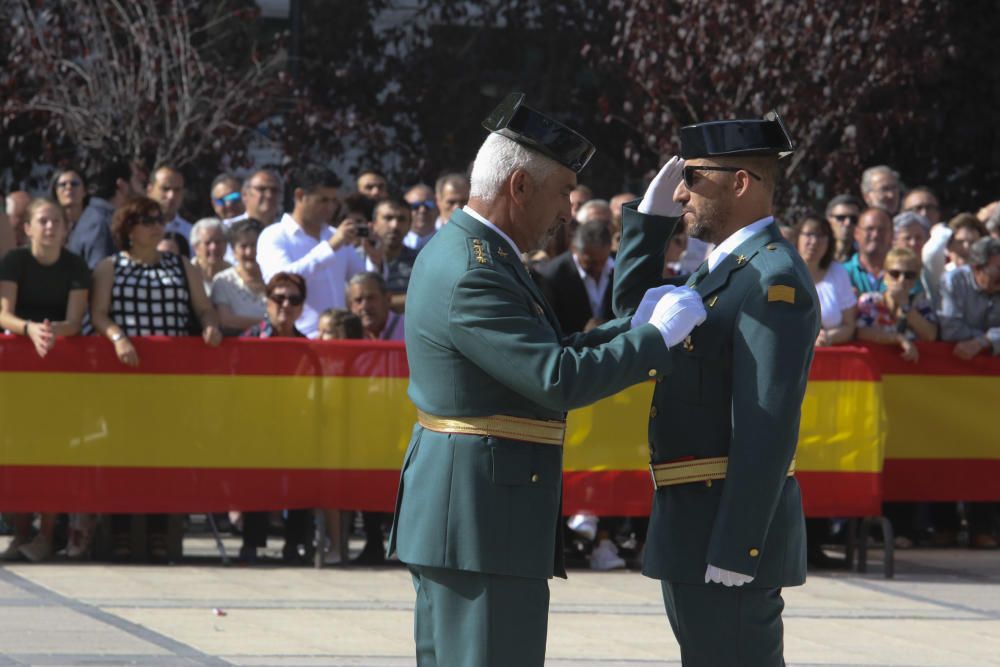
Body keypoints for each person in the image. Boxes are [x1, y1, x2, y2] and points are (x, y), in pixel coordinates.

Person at [388, 93, 705, 667]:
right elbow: (556, 378)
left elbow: (548, 351)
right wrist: (653, 340)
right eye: (563, 191)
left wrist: (627, 329)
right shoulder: (474, 272)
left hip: (478, 516)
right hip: (480, 522)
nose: (568, 210)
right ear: (519, 187)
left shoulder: (484, 255)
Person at [613, 111, 817, 666]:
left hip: (721, 531)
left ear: (741, 182)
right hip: (690, 523)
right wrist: (648, 223)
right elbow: (634, 318)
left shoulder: (771, 279)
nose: (681, 193)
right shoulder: (721, 270)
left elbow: (766, 423)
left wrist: (739, 545)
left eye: (693, 178)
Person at [90, 196, 222, 560]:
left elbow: (203, 308)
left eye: (158, 219)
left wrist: (210, 326)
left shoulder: (182, 266)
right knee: (121, 453)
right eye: (146, 220)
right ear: (129, 228)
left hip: (171, 383)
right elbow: (99, 314)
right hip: (124, 378)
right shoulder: (109, 267)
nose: (155, 225)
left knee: (165, 455)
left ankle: (160, 532)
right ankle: (119, 532)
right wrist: (118, 338)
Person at [0, 198, 90, 562]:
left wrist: (51, 333)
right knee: (20, 449)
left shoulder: (75, 265)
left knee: (53, 451)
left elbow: (75, 320)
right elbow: (3, 313)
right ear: (28, 228)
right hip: (20, 374)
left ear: (66, 229)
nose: (50, 227)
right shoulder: (14, 262)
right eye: (43, 221)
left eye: (57, 221)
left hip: (59, 372)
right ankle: (21, 533)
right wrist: (29, 329)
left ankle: (48, 534)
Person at [240, 272, 315, 562]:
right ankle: (251, 543)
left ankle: (294, 545)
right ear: (267, 301)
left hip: (295, 426)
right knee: (255, 482)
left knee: (300, 483)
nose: (285, 304)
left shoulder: (308, 346)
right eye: (278, 297)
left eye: (293, 299)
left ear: (301, 306)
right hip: (256, 424)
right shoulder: (250, 338)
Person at [937, 237, 1000, 548]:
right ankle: (944, 525)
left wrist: (987, 341)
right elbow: (949, 329)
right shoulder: (953, 282)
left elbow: (970, 337)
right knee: (943, 449)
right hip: (949, 387)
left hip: (990, 394)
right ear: (977, 268)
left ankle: (984, 527)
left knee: (988, 451)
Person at [256, 166, 366, 338]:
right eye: (322, 200)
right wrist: (329, 248)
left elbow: (362, 280)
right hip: (298, 339)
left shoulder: (335, 235)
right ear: (300, 196)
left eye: (333, 201)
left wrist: (375, 258)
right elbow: (280, 280)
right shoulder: (274, 235)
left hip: (340, 341)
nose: (330, 207)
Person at [856, 247, 938, 363]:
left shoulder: (921, 304)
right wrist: (898, 339)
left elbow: (930, 335)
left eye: (909, 275)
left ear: (916, 279)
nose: (902, 280)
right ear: (884, 276)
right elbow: (860, 331)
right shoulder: (869, 301)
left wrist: (905, 306)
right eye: (895, 274)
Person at [536, 220, 615, 334]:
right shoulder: (551, 276)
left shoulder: (619, 266)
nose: (598, 268)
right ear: (574, 248)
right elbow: (550, 328)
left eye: (603, 262)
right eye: (591, 262)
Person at [67, 160, 141, 269]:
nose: (142, 182)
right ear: (122, 185)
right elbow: (99, 274)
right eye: (136, 178)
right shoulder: (100, 223)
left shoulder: (101, 217)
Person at [797, 215, 857, 346]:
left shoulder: (839, 272)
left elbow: (849, 326)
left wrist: (828, 337)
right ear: (797, 238)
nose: (814, 241)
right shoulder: (782, 272)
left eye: (820, 236)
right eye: (809, 234)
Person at [210, 218, 267, 335]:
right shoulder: (223, 281)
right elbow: (225, 320)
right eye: (244, 246)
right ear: (234, 250)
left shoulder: (273, 277)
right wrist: (268, 323)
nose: (250, 252)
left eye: (254, 245)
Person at [366, 198, 418, 309]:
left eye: (401, 219)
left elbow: (423, 299)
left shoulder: (420, 261)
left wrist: (378, 303)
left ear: (410, 225)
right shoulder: (356, 257)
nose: (395, 225)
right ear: (373, 224)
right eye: (388, 218)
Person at [844, 207, 893, 295]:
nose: (875, 235)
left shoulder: (905, 272)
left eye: (881, 230)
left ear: (891, 234)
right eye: (869, 229)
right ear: (856, 233)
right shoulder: (842, 273)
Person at [147, 165, 191, 240]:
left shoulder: (191, 233)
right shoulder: (134, 229)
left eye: (177, 190)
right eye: (165, 189)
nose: (171, 196)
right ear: (150, 190)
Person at [189, 217, 231, 293]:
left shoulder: (234, 275)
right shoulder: (188, 274)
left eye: (218, 242)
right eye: (207, 243)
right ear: (196, 247)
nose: (213, 247)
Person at [825, 194, 862, 263]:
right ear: (828, 221)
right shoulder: (817, 255)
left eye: (854, 219)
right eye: (840, 218)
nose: (848, 223)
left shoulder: (864, 258)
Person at [402, 184, 439, 252]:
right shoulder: (397, 243)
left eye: (428, 205)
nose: (422, 210)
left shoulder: (447, 243)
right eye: (415, 206)